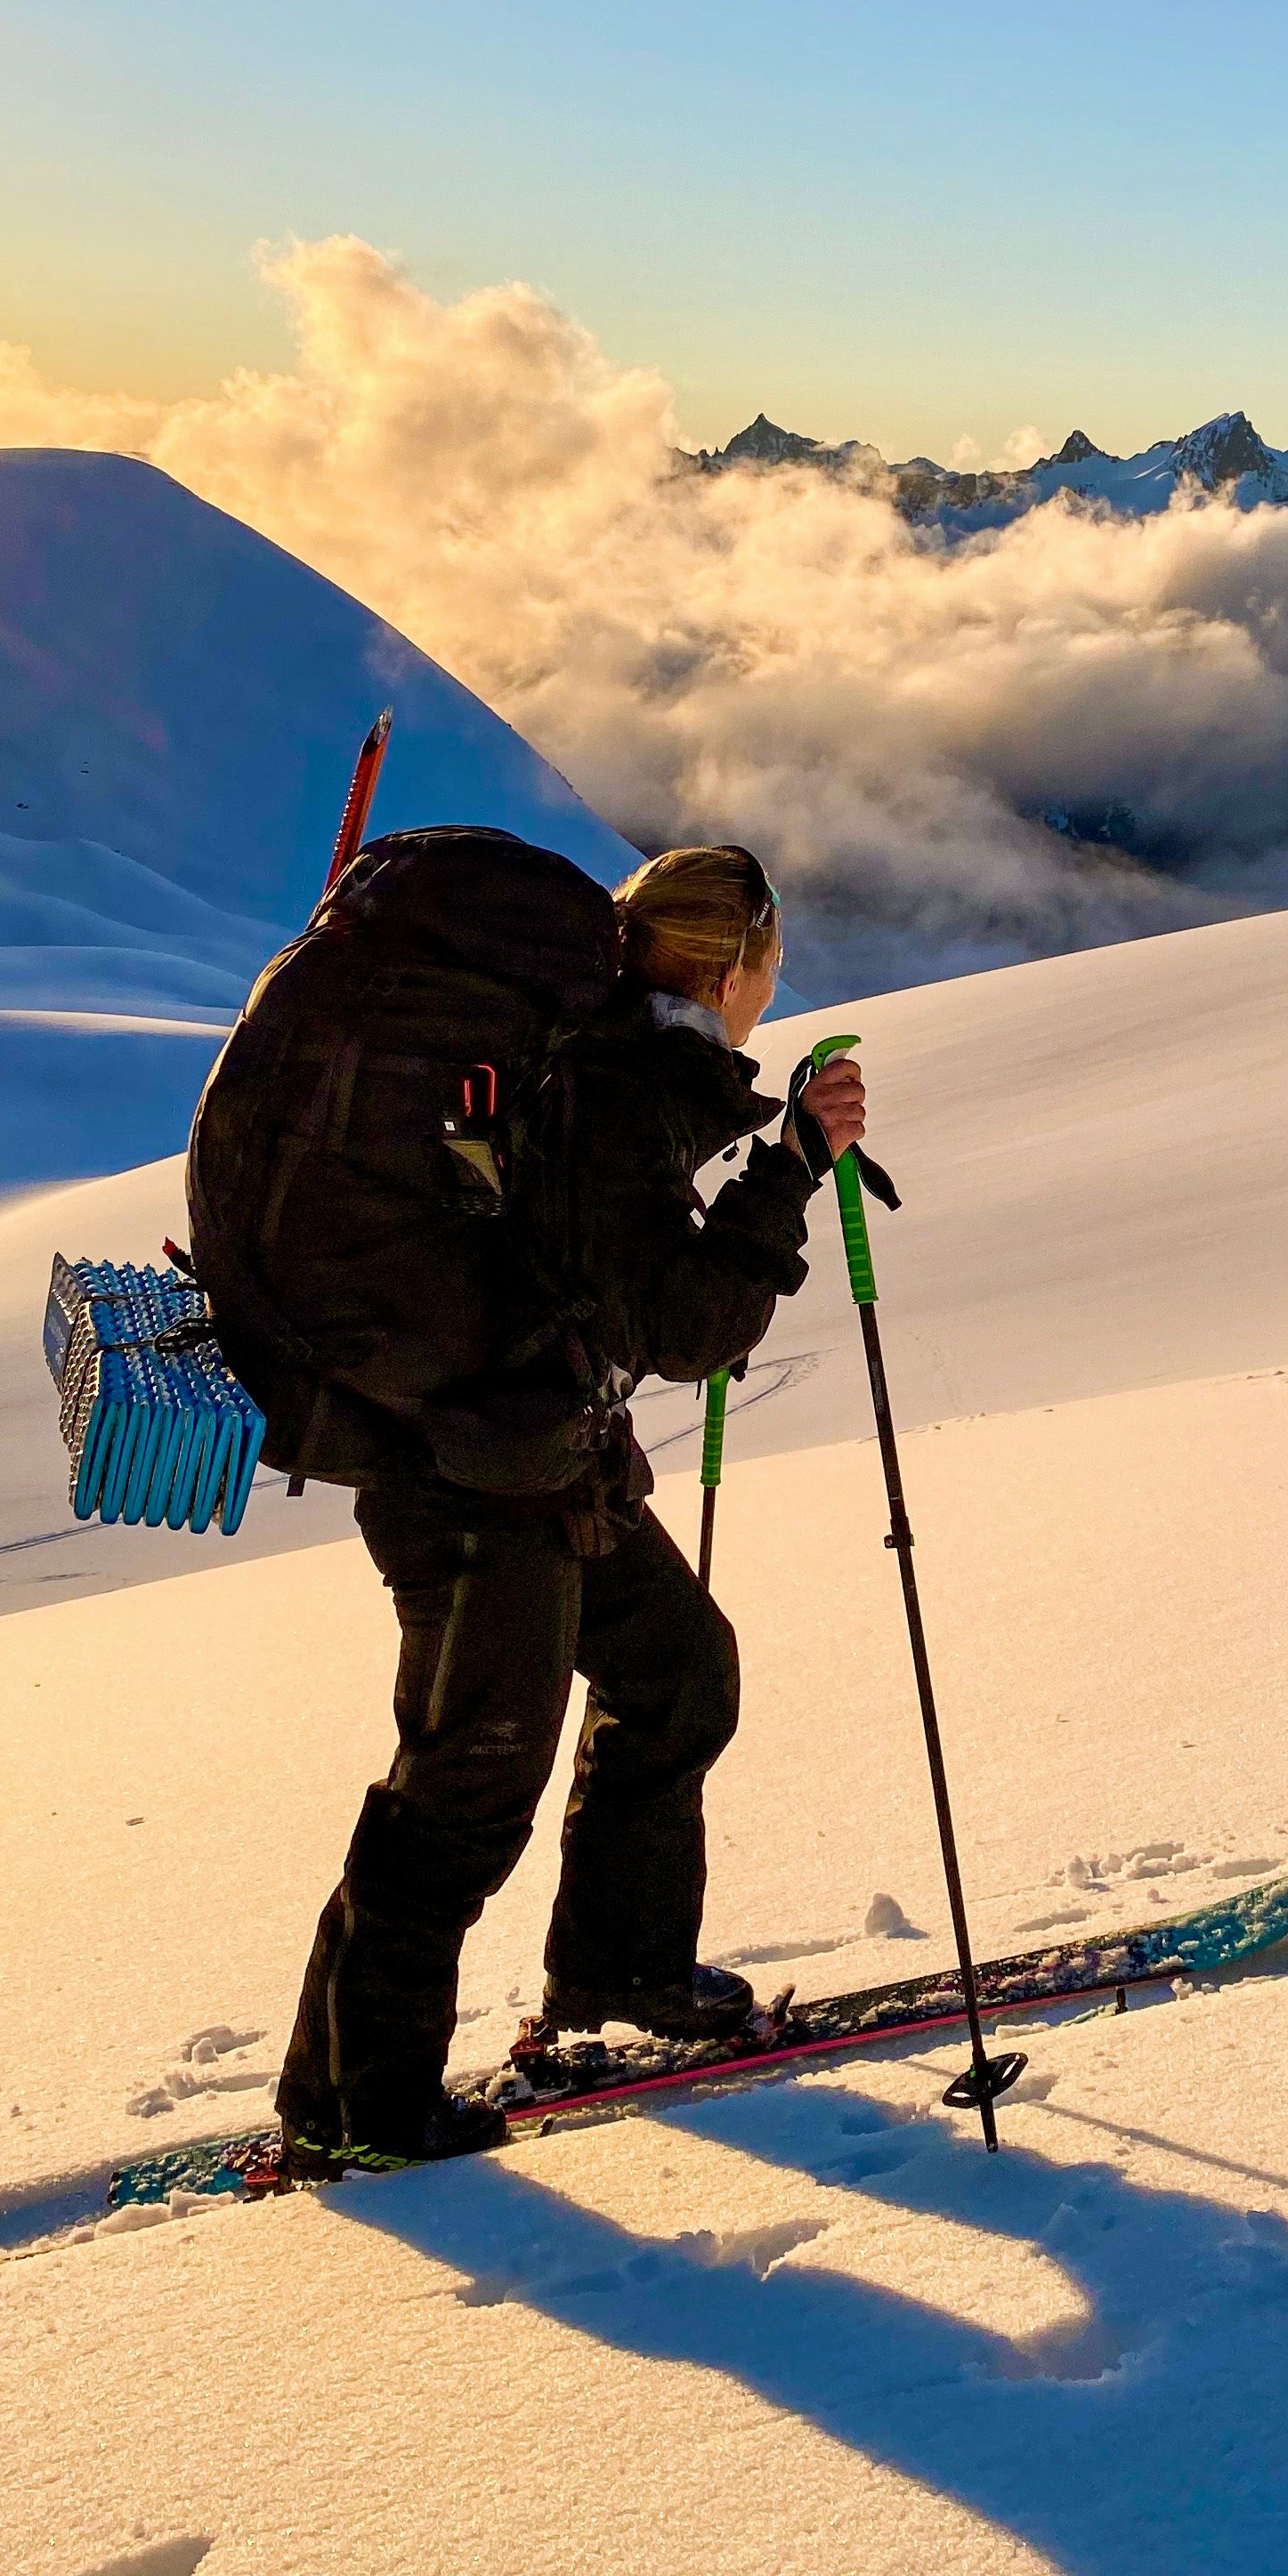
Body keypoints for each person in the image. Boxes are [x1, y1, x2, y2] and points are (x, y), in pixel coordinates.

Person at [273, 842, 868, 2170]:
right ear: (731, 967)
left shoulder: (603, 1058)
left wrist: (764, 1160)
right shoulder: (617, 1084)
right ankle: (358, 2105)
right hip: (480, 1480)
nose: (775, 984)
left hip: (532, 1452)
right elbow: (683, 1321)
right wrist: (789, 1176)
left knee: (675, 1670)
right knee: (466, 1786)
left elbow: (612, 1274)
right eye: (772, 959)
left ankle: (621, 1973)